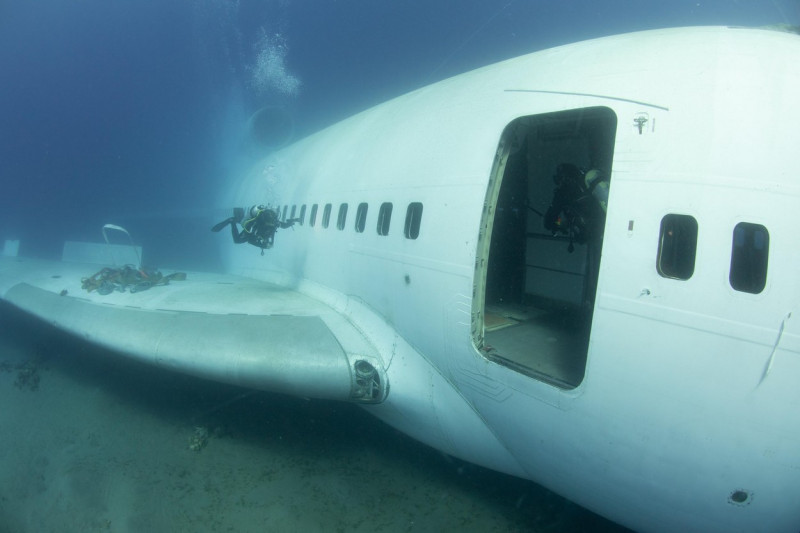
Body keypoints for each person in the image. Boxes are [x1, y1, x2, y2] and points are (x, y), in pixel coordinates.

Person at [212, 205, 298, 254]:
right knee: (237, 240)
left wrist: (292, 222)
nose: (269, 227)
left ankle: (234, 220)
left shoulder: (274, 223)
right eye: (267, 226)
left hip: (258, 233)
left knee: (240, 240)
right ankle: (232, 221)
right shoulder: (259, 222)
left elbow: (284, 225)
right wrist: (262, 245)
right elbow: (250, 240)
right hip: (251, 227)